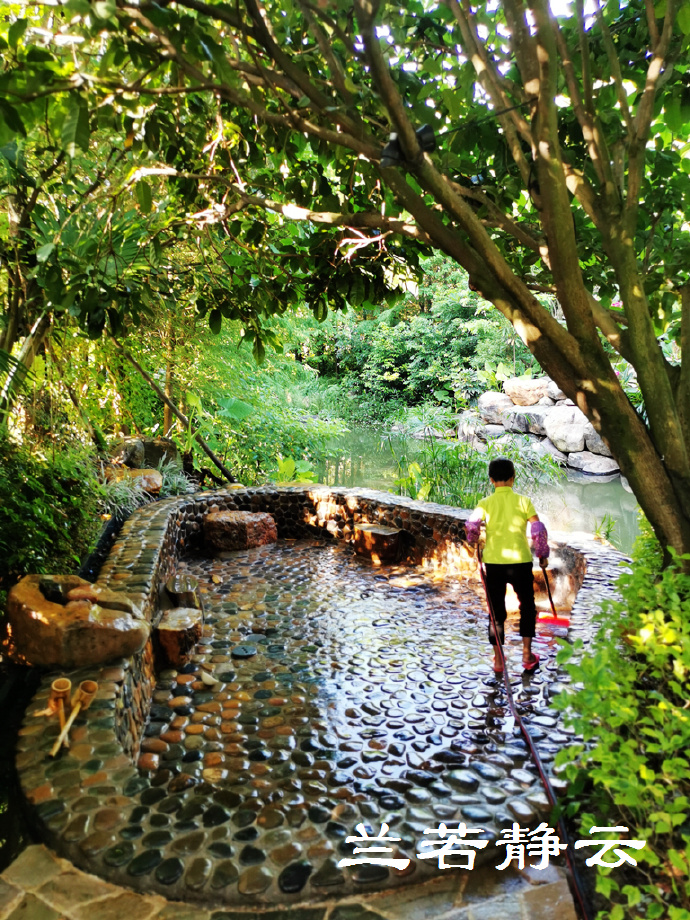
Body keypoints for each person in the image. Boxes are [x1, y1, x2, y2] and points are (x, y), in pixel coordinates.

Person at [465, 457, 549, 674]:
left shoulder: (485, 503)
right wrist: (543, 554)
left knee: (496, 612)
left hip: (494, 563)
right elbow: (538, 529)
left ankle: (499, 660)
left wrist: (474, 541)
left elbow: (471, 525)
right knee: (527, 607)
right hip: (520, 562)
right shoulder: (524, 501)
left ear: (491, 480)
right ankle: (527, 655)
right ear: (513, 478)